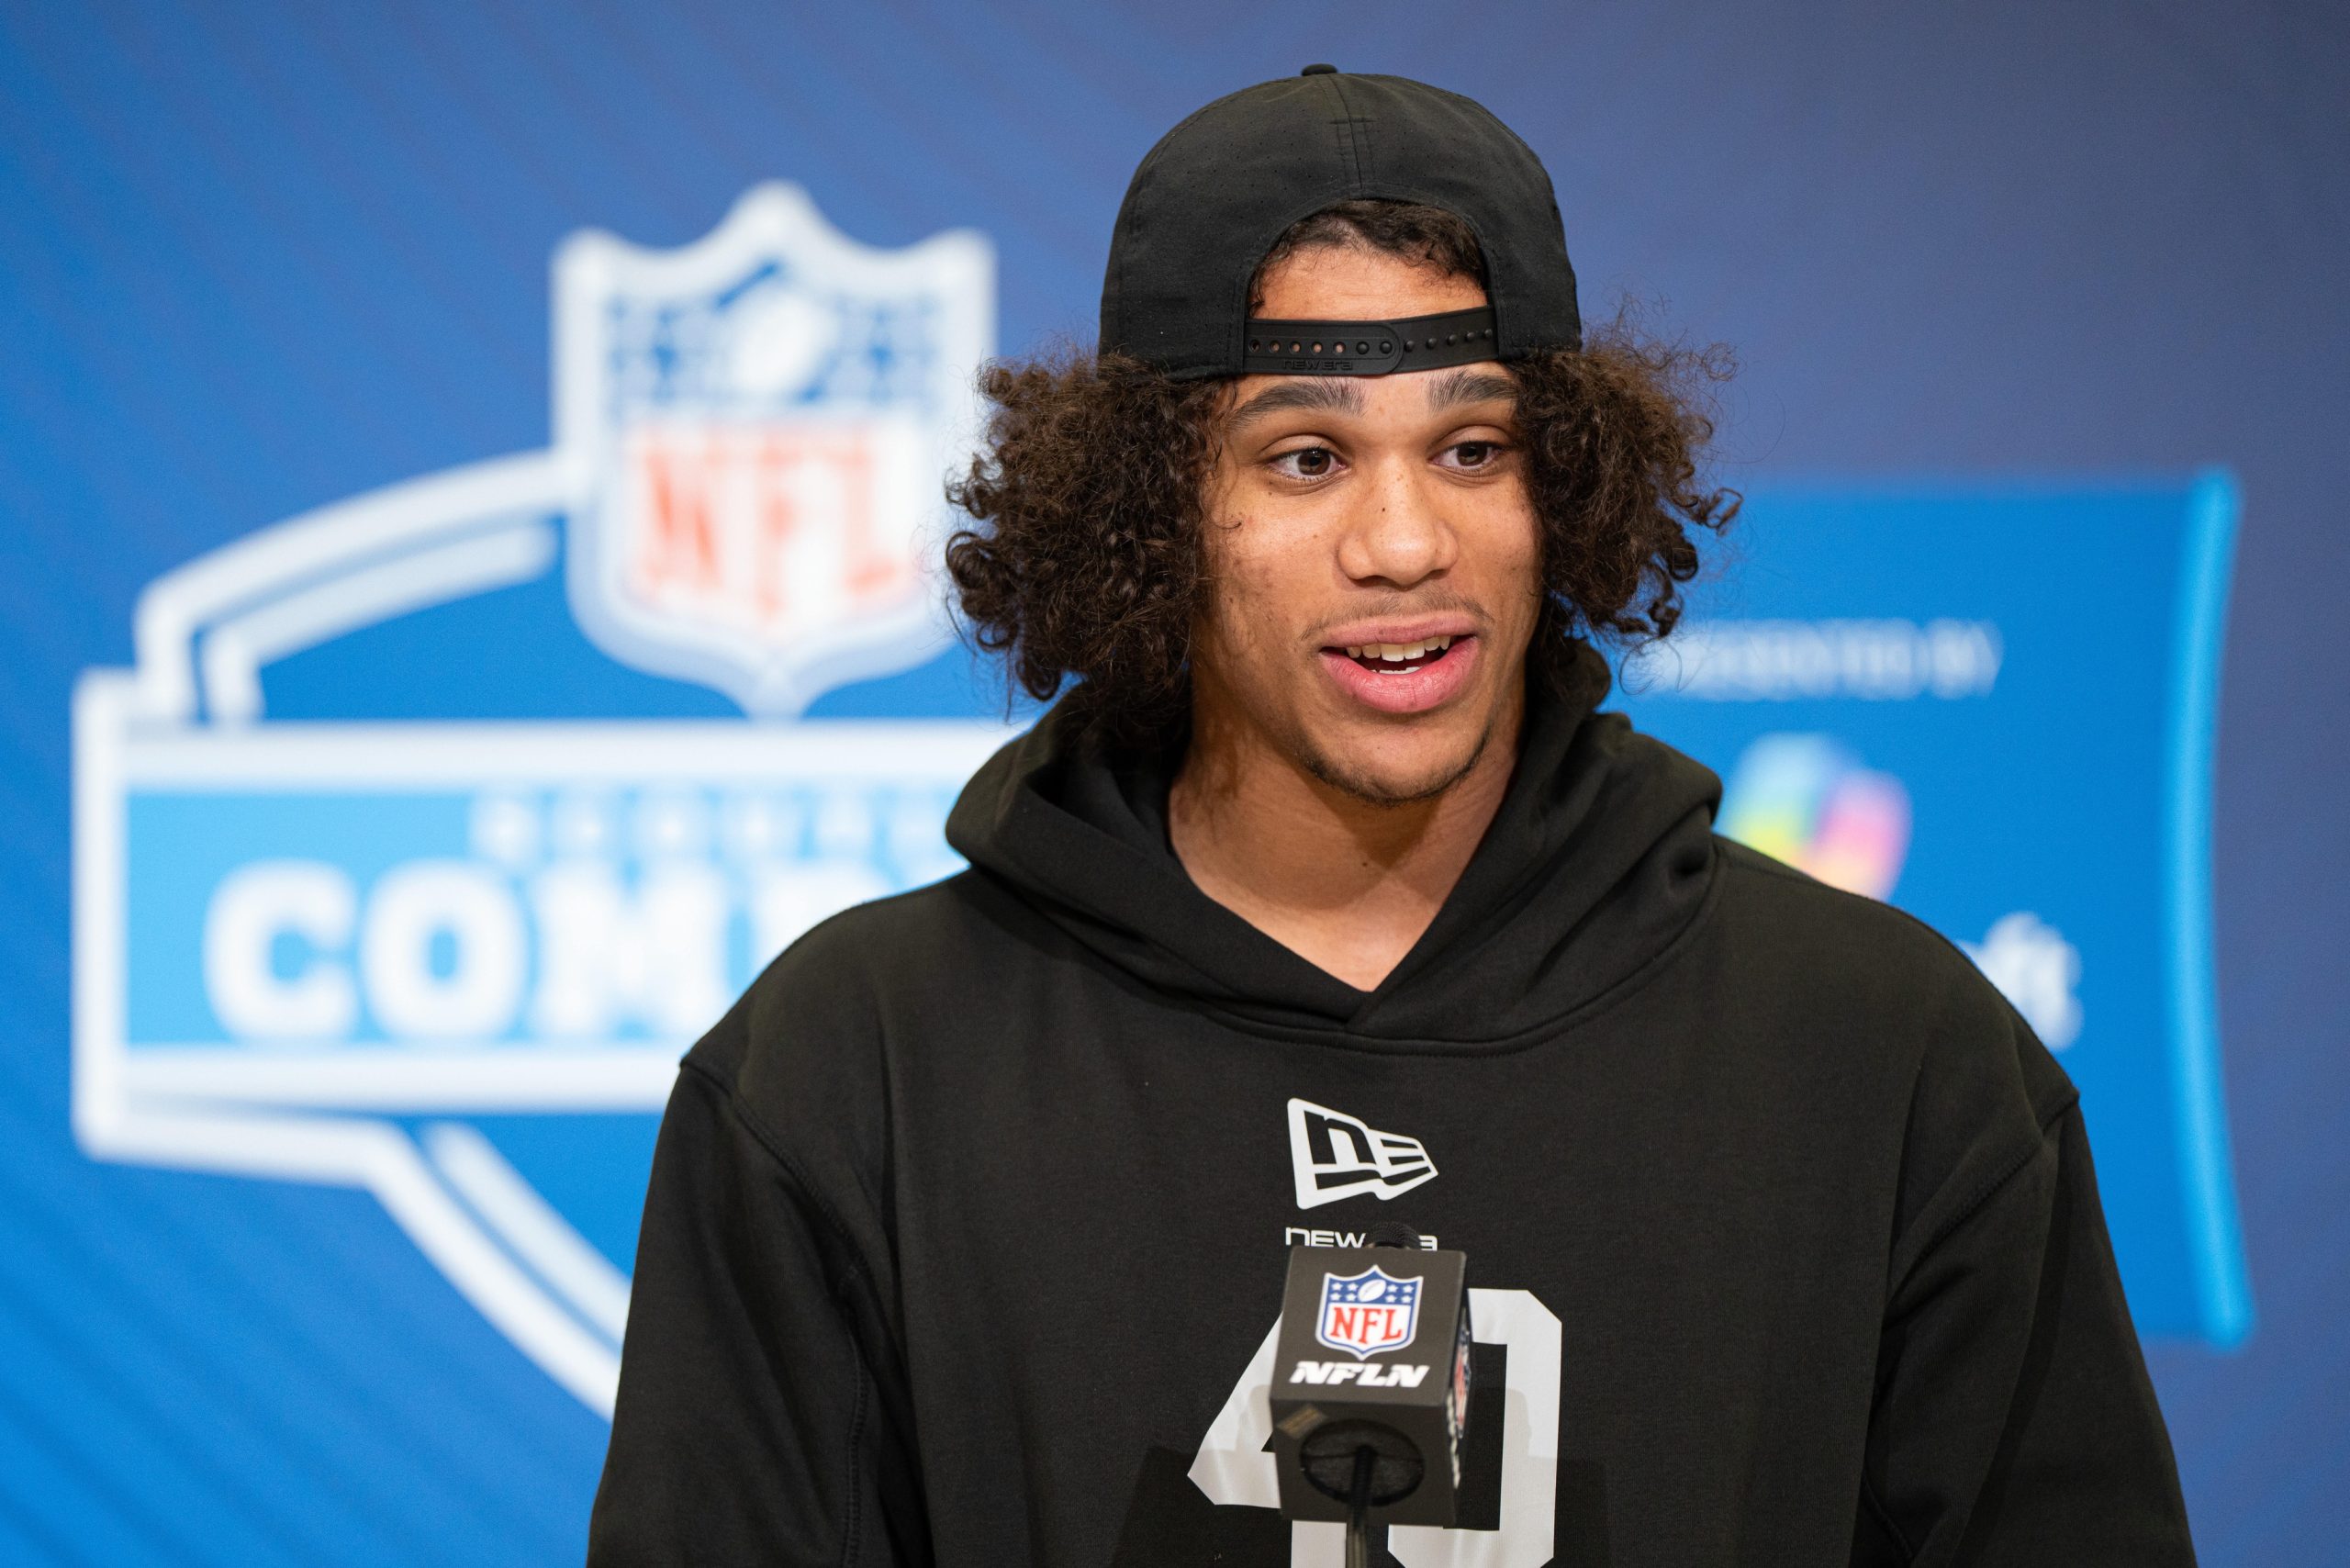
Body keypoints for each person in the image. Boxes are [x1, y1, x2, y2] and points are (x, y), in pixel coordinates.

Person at [588, 68, 2195, 1567]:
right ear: (1156, 518)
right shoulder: (849, 1069)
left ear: (1562, 491)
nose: (1406, 541)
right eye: (1304, 457)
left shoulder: (1899, 1056)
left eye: (1474, 447)